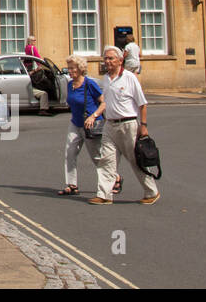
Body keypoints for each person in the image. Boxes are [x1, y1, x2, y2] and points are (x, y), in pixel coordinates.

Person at [88, 45, 160, 205]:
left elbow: (142, 104)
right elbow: (106, 102)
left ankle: (151, 192)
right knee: (106, 161)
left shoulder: (129, 78)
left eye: (111, 58)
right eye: (105, 58)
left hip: (128, 125)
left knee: (136, 160)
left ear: (120, 60)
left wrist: (144, 125)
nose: (107, 61)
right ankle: (104, 195)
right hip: (110, 125)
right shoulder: (105, 79)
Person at [59, 56, 103, 195]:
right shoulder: (70, 84)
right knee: (70, 153)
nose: (70, 71)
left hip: (91, 125)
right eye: (69, 68)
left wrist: (93, 116)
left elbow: (104, 102)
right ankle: (72, 184)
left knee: (96, 157)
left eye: (72, 68)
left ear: (80, 69)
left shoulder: (90, 84)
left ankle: (114, 179)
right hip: (75, 123)